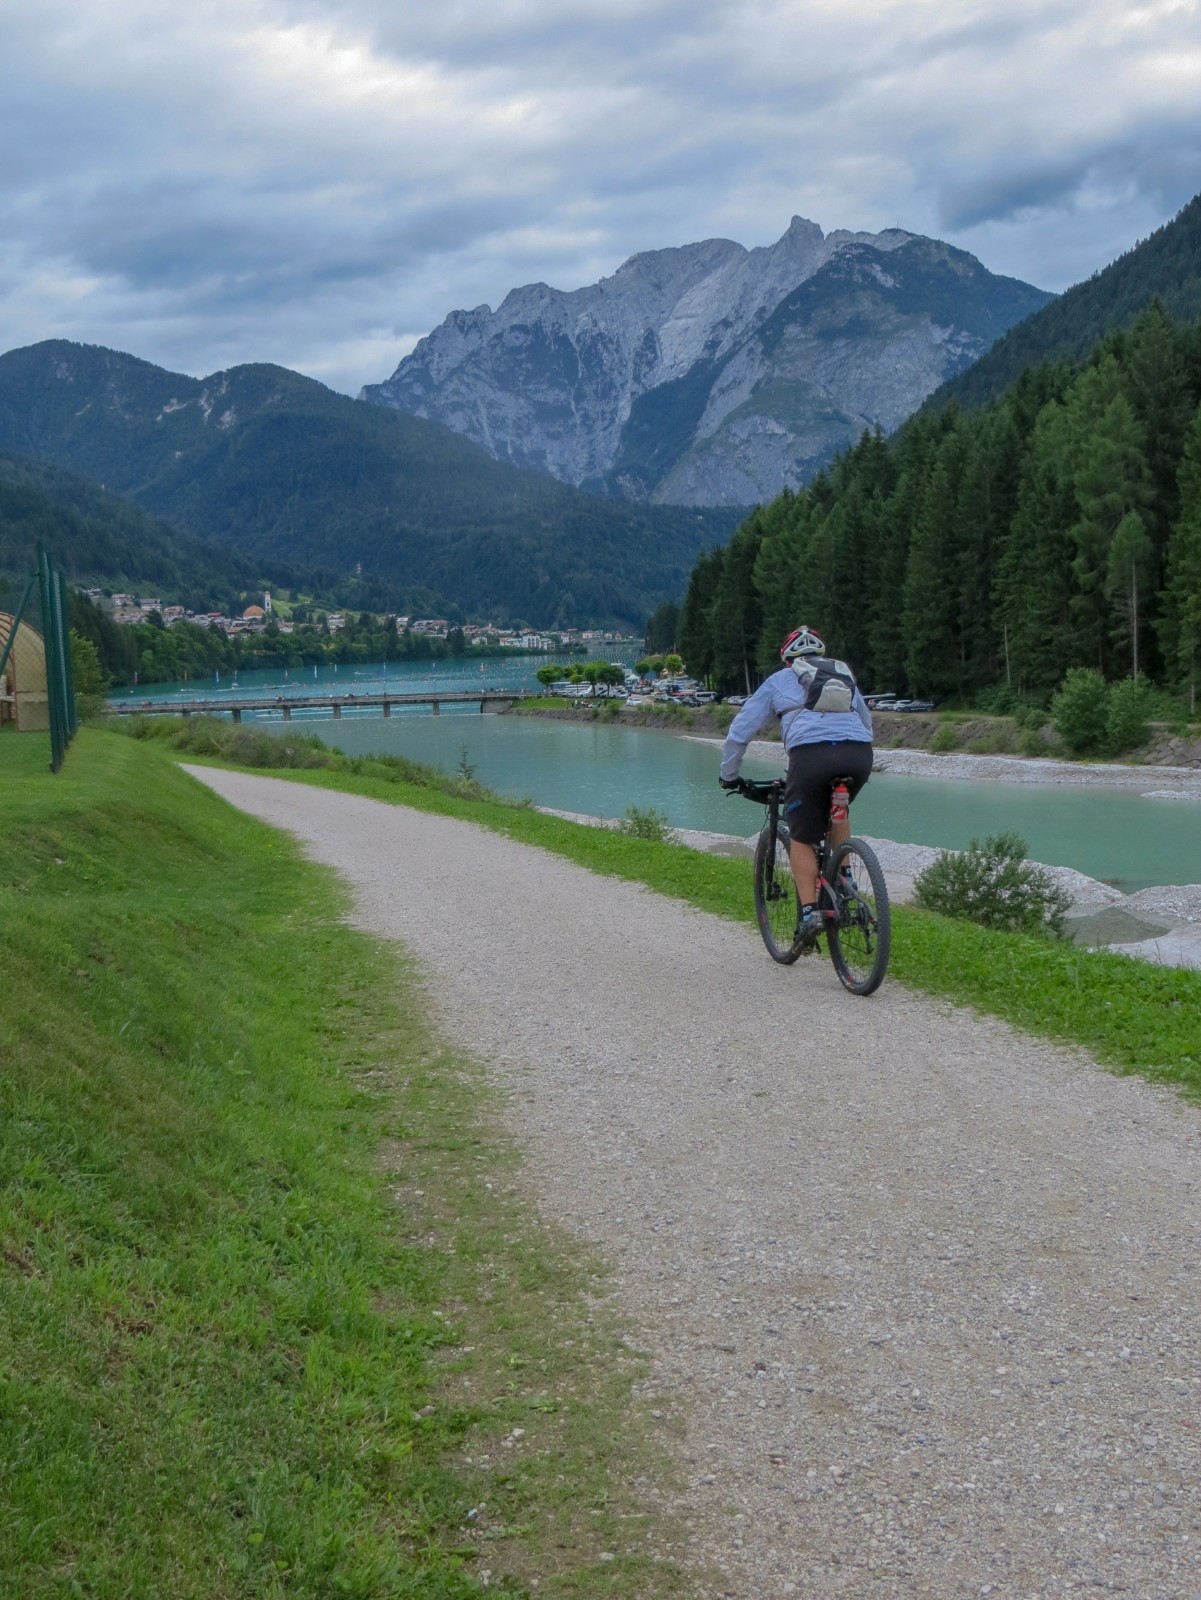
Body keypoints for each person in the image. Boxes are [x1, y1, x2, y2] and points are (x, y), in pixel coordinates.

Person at [719, 626, 873, 940]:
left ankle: (809, 913)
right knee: (838, 804)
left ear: (787, 658)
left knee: (801, 834)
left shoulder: (777, 681)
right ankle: (845, 879)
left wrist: (729, 775)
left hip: (811, 758)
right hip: (858, 755)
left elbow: (740, 731)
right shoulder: (842, 676)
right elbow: (867, 723)